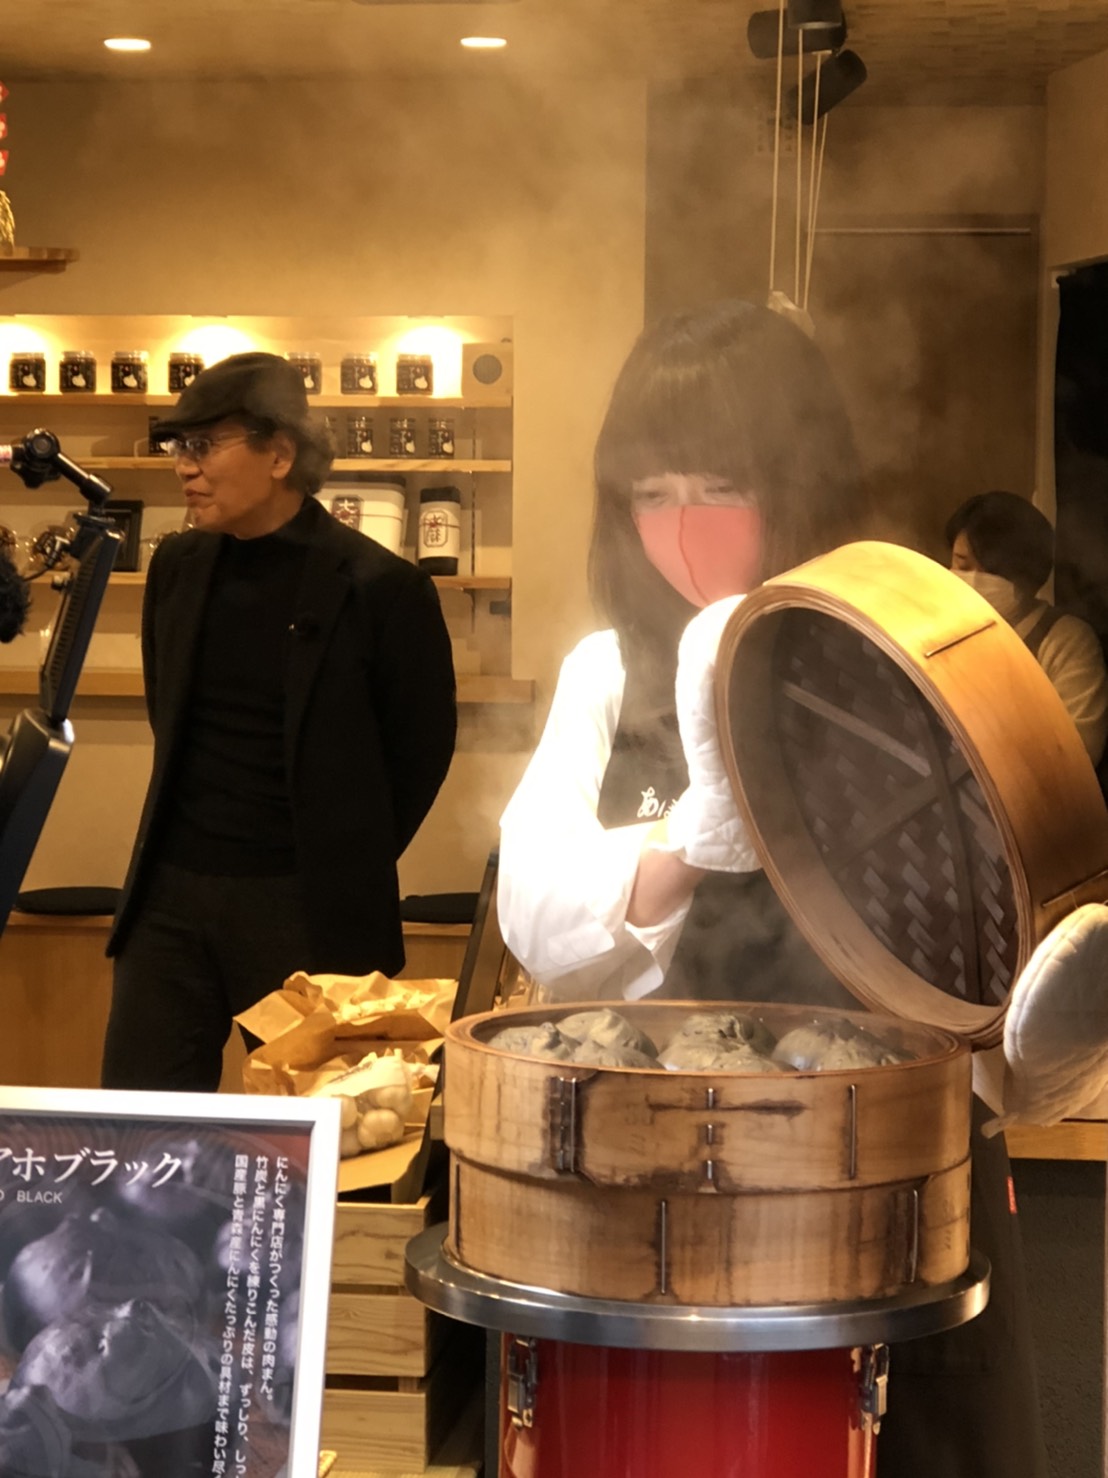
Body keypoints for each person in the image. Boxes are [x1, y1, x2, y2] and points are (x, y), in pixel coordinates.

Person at [498, 300, 1048, 1478]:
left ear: (800, 483)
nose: (683, 531)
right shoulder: (610, 671)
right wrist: (692, 837)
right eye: (651, 493)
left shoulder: (910, 655)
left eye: (720, 486)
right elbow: (539, 919)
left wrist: (1043, 1029)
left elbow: (997, 936)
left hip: (901, 1187)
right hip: (675, 1187)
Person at [102, 352, 456, 1092]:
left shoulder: (383, 588)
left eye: (205, 445)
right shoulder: (177, 566)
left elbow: (420, 752)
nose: (184, 466)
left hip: (307, 904)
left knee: (324, 1131)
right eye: (178, 446)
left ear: (280, 454)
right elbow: (169, 710)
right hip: (170, 893)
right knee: (141, 1122)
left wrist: (342, 852)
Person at [947, 488, 1108, 764]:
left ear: (1030, 576)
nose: (973, 580)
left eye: (992, 573)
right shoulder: (938, 629)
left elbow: (1079, 754)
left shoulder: (1065, 641)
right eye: (962, 566)